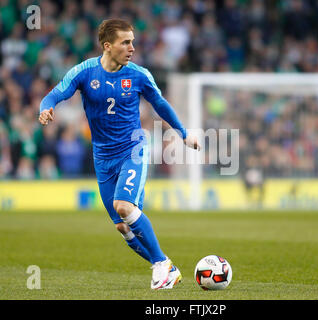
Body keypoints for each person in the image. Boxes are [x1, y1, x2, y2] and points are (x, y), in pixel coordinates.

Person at [38, 19, 200, 290]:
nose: (132, 48)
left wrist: (183, 133)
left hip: (132, 148)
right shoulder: (84, 71)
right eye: (126, 42)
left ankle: (161, 265)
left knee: (124, 207)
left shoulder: (138, 75)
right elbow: (54, 94)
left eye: (133, 41)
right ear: (108, 46)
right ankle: (166, 265)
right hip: (102, 156)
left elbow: (159, 104)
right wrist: (45, 108)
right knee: (122, 227)